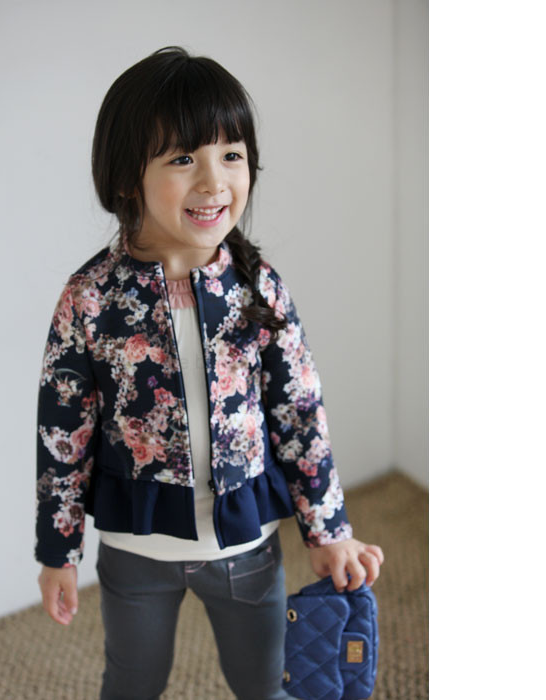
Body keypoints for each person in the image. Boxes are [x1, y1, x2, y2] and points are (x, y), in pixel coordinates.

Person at [35, 46, 385, 700]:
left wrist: (328, 530)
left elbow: (299, 414)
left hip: (246, 550)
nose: (213, 181)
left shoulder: (258, 286)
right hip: (136, 552)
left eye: (231, 155)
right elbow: (62, 433)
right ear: (126, 178)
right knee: (130, 684)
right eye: (182, 159)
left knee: (265, 685)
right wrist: (58, 550)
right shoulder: (90, 298)